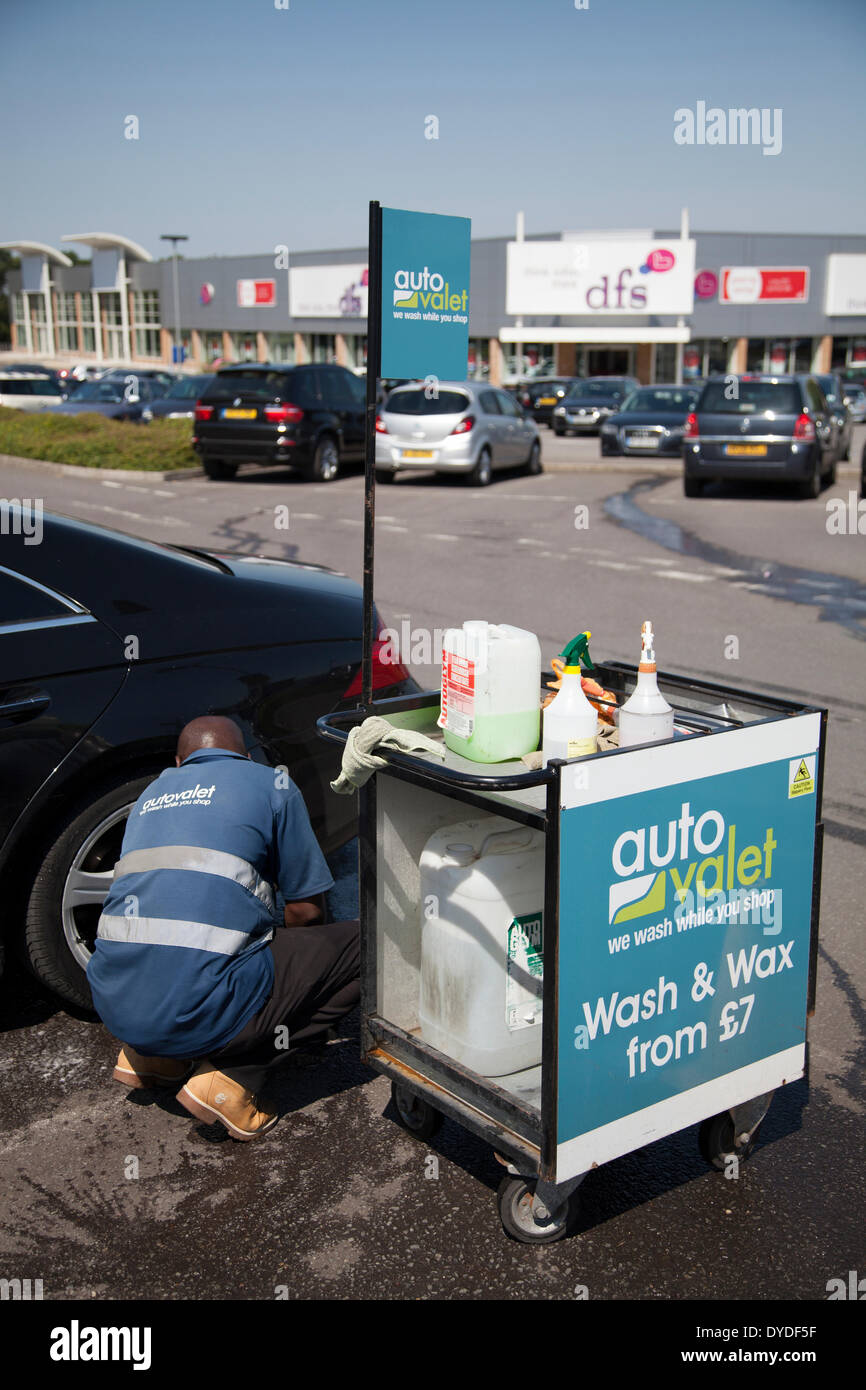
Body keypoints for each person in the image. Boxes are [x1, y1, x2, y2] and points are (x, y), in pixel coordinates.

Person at [87, 715, 360, 1140]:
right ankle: (231, 1080)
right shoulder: (270, 783)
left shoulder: (150, 794)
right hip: (197, 1010)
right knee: (363, 948)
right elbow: (306, 912)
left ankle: (153, 1058)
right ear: (245, 757)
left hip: (117, 1004)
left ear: (180, 763)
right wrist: (301, 982)